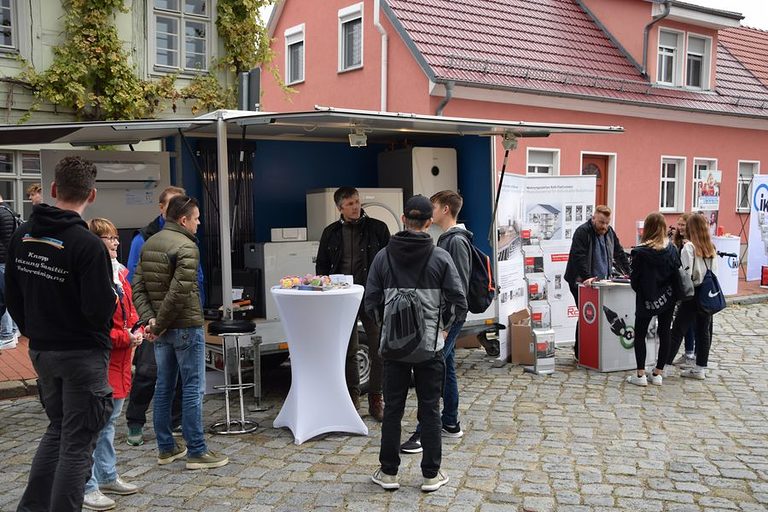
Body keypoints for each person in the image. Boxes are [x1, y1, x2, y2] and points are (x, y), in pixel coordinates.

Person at [7, 156, 117, 512]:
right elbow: (99, 311)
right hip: (81, 355)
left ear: (53, 189)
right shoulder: (87, 245)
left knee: (58, 432)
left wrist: (34, 331)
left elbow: (12, 295)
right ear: (92, 194)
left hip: (42, 351)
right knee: (76, 444)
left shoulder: (22, 235)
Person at [365, 195, 467, 493]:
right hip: (430, 347)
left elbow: (370, 301)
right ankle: (431, 476)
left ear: (402, 218)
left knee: (393, 409)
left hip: (393, 349)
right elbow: (459, 302)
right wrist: (444, 329)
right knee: (430, 410)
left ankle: (388, 473)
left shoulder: (383, 256)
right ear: (427, 222)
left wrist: (388, 325)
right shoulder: (440, 257)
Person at [132, 195, 229, 470]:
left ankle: (166, 447)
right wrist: (157, 324)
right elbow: (179, 293)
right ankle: (196, 450)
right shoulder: (187, 246)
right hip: (184, 326)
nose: (199, 223)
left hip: (161, 329)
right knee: (191, 388)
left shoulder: (150, 242)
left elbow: (137, 287)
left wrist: (151, 321)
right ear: (184, 220)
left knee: (164, 386)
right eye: (197, 218)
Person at [400, 190, 471, 454]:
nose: (430, 211)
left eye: (433, 206)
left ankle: (423, 432)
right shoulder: (447, 240)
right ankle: (450, 422)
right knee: (447, 366)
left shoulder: (454, 242)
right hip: (446, 317)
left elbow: (457, 288)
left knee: (433, 370)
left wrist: (445, 323)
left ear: (444, 209)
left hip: (448, 319)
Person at [83, 218, 142, 511]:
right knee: (94, 426)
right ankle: (88, 485)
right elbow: (97, 328)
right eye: (109, 238)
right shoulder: (94, 278)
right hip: (103, 361)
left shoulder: (119, 274)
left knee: (109, 425)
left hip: (119, 361)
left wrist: (138, 330)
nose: (116, 243)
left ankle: (106, 475)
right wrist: (126, 337)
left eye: (116, 237)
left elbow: (129, 312)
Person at [316, 186, 390, 420]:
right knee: (348, 351)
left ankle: (376, 398)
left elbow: (390, 263)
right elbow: (321, 268)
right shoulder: (330, 232)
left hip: (372, 297)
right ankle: (352, 398)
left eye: (357, 202)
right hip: (343, 299)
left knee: (379, 349)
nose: (356, 207)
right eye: (349, 204)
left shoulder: (378, 228)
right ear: (339, 207)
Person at [124, 185, 189, 446]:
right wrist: (144, 318)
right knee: (148, 372)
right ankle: (135, 423)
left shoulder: (188, 234)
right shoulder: (144, 237)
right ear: (161, 208)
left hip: (182, 316)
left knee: (181, 373)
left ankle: (176, 420)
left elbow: (196, 277)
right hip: (152, 317)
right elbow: (133, 279)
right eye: (171, 205)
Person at [564, 205, 630, 357]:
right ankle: (581, 352)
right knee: (586, 314)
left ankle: (596, 349)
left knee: (599, 316)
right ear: (593, 218)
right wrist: (587, 278)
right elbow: (578, 257)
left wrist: (628, 272)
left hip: (601, 281)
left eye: (607, 223)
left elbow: (619, 253)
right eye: (601, 222)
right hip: (580, 281)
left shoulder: (610, 232)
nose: (604, 226)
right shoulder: (582, 232)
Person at [626, 213, 679, 387]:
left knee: (640, 334)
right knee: (664, 333)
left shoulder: (640, 252)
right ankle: (658, 373)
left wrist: (644, 292)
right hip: (668, 297)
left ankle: (640, 374)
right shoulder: (671, 250)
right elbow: (676, 275)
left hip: (646, 298)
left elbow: (635, 280)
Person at [666, 213, 718, 380]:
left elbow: (685, 273)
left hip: (692, 291)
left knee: (678, 330)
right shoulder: (710, 246)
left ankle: (664, 366)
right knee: (704, 331)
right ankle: (700, 367)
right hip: (706, 293)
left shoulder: (689, 247)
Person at [670, 213, 696, 367]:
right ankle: (689, 352)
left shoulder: (689, 245)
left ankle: (690, 353)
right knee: (686, 324)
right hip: (680, 286)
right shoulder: (678, 242)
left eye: (683, 225)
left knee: (687, 324)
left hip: (687, 287)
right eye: (678, 224)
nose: (679, 228)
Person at [0, 195, 20, 350]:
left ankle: (7, 335)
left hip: (1, 260)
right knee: (7, 295)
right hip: (7, 260)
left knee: (3, 297)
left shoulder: (1, 213)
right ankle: (12, 332)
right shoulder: (9, 210)